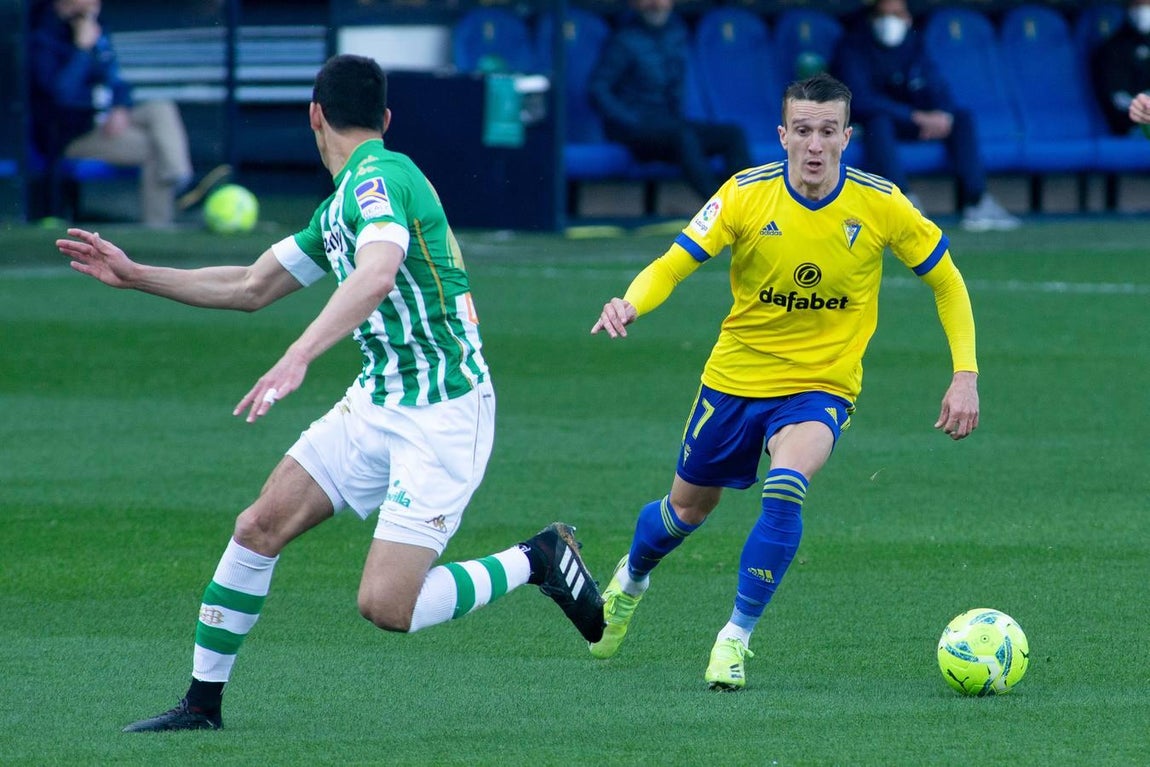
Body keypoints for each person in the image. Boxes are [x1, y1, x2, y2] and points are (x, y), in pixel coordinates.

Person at [57, 53, 604, 732]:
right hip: (376, 400)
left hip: (442, 411)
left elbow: (377, 273)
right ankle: (201, 703)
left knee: (387, 606)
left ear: (314, 115)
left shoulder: (379, 181)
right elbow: (251, 286)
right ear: (386, 118)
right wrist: (138, 274)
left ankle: (536, 558)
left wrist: (298, 354)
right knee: (259, 526)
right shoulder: (341, 204)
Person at [588, 72, 980, 691]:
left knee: (787, 485)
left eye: (828, 131)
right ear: (782, 135)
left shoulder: (882, 204)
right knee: (686, 511)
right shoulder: (745, 195)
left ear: (847, 136)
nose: (815, 145)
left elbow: (948, 281)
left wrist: (965, 375)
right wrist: (631, 302)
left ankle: (734, 638)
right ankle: (631, 580)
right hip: (735, 380)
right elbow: (673, 264)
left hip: (822, 386)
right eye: (803, 131)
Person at [29, 0, 225, 226]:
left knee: (160, 108)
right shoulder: (43, 37)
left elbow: (115, 81)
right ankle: (158, 225)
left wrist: (120, 106)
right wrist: (82, 50)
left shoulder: (95, 27)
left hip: (103, 119)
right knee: (155, 148)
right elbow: (61, 95)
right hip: (70, 134)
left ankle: (182, 180)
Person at [832, 0, 1019, 232]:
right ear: (872, 18)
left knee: (960, 118)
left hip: (914, 123)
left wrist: (942, 115)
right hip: (874, 125)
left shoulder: (914, 44)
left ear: (908, 18)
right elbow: (861, 100)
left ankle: (977, 201)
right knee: (878, 122)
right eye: (883, 15)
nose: (890, 21)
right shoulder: (853, 46)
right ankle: (904, 203)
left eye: (897, 14)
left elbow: (936, 85)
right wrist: (914, 116)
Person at [587, 0, 751, 203]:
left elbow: (676, 90)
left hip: (669, 125)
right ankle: (720, 209)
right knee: (682, 136)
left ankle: (746, 207)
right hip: (635, 131)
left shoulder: (675, 35)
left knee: (732, 134)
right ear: (634, 4)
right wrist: (630, 120)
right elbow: (597, 89)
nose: (656, 4)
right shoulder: (622, 40)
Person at [1091, 0, 1150, 135]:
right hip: (1133, 129)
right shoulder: (1113, 49)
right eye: (1139, 4)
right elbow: (1119, 101)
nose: (1144, 9)